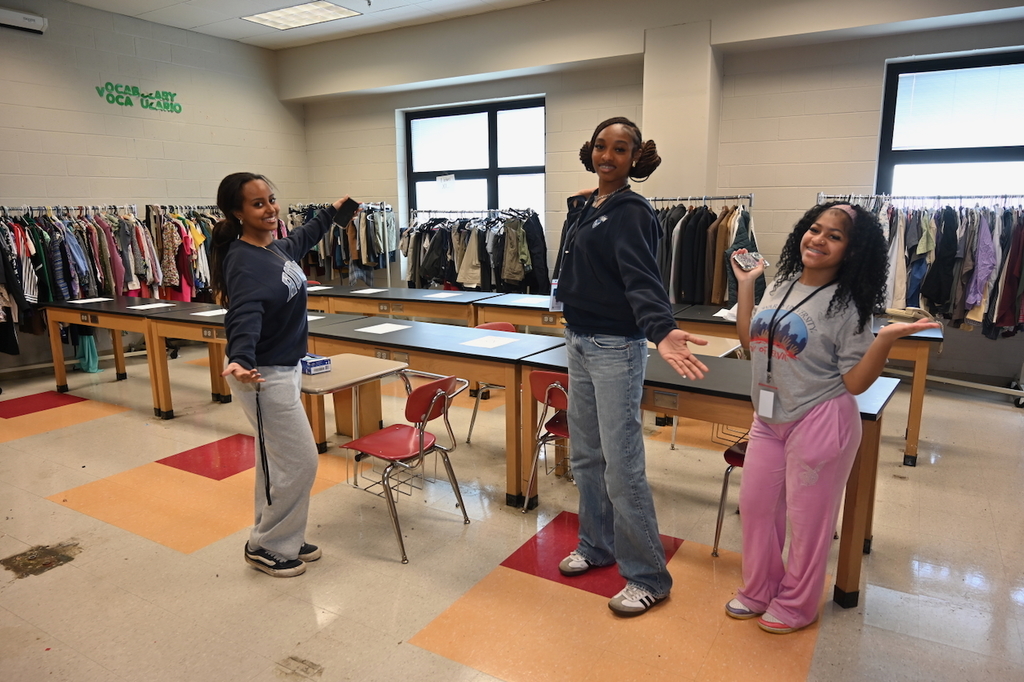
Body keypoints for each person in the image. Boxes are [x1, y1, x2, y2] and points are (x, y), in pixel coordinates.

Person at [725, 202, 941, 633]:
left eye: (834, 236)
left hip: (820, 419)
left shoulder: (849, 305)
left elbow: (857, 383)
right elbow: (751, 338)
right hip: (768, 417)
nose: (818, 239)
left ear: (851, 250)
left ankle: (797, 604)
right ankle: (759, 588)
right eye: (814, 229)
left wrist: (886, 340)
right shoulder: (781, 283)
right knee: (756, 508)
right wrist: (747, 284)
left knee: (808, 522)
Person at [552, 117, 710, 617]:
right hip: (577, 339)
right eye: (601, 146)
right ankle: (596, 545)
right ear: (590, 149)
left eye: (620, 149)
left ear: (634, 158)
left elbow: (643, 278)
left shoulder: (634, 212)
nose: (607, 156)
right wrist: (584, 204)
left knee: (622, 467)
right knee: (586, 456)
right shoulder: (586, 206)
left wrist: (661, 331)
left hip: (614, 346)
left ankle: (647, 576)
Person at [209, 172, 359, 577]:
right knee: (300, 461)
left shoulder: (272, 249)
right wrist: (240, 358)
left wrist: (331, 213)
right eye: (258, 204)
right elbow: (244, 312)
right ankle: (267, 545)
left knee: (275, 461)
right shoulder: (244, 260)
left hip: (284, 368)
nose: (270, 209)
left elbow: (302, 238)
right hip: (260, 375)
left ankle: (280, 535)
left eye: (271, 199)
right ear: (237, 212)